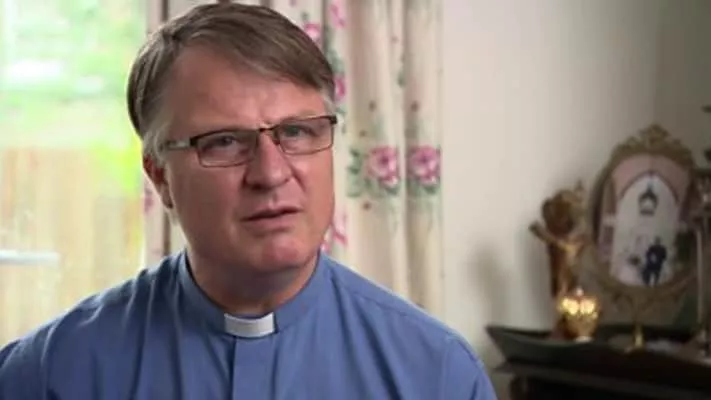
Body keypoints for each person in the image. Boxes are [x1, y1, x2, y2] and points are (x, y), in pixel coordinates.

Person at [0, 3, 496, 399]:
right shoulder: (48, 375)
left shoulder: (438, 374)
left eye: (296, 132)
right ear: (160, 176)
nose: (272, 173)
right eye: (223, 142)